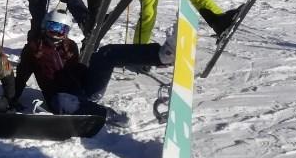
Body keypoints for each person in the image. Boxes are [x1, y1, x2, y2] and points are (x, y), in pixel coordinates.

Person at [14, 9, 177, 125]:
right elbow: (21, 75)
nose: (56, 33)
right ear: (45, 26)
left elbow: (76, 69)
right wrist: (11, 98)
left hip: (85, 90)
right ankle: (107, 114)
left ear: (67, 31)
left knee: (106, 53)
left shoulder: (70, 45)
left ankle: (161, 56)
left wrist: (94, 70)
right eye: (52, 27)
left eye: (61, 29)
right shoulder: (33, 49)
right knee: (62, 100)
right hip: (60, 99)